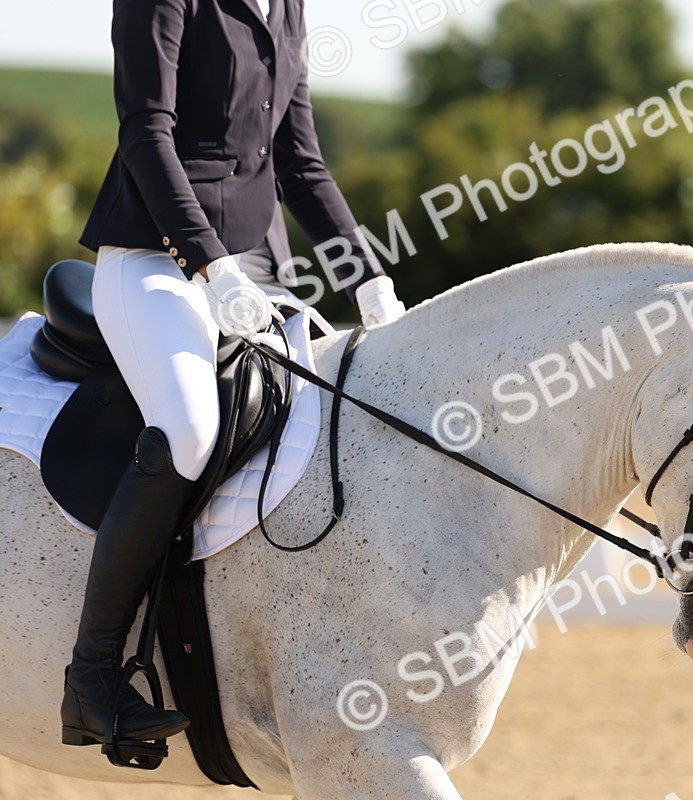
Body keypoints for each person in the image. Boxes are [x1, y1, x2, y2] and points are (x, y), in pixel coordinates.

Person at [62, 0, 404, 749]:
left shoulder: (287, 4)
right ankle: (90, 680)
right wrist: (207, 262)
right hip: (156, 255)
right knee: (189, 428)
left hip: (258, 268)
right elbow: (145, 132)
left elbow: (297, 156)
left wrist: (365, 276)